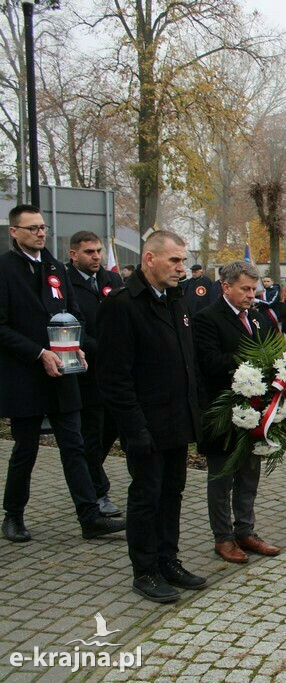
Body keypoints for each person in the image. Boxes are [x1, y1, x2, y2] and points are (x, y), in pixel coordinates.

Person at [0, 205, 126, 543]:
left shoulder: (55, 268)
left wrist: (77, 344)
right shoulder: (4, 269)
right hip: (26, 376)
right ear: (15, 232)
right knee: (25, 449)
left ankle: (89, 517)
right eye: (32, 228)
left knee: (75, 445)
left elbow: (72, 314)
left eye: (42, 227)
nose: (40, 233)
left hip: (64, 374)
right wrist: (39, 353)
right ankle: (13, 515)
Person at [97, 231, 207, 603]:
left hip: (177, 421)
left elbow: (187, 363)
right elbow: (114, 378)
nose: (181, 268)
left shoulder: (176, 301)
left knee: (172, 493)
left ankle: (167, 559)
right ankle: (144, 570)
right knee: (147, 497)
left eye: (183, 260)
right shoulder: (123, 305)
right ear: (149, 259)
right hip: (146, 425)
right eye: (174, 260)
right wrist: (135, 430)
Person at [193, 261, 281, 564]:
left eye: (254, 290)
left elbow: (272, 352)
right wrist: (250, 363)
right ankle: (223, 537)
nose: (251, 295)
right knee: (222, 478)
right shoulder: (206, 319)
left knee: (249, 474)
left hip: (254, 410)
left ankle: (246, 530)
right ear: (225, 286)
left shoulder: (257, 318)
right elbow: (210, 362)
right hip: (222, 410)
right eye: (245, 289)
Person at [67, 230, 124, 518]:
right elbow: (74, 327)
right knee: (90, 433)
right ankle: (98, 493)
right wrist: (103, 348)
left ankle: (90, 481)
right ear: (73, 254)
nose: (96, 257)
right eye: (89, 252)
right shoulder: (67, 282)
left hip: (114, 374)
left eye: (99, 251)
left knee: (110, 431)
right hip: (88, 373)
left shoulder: (111, 280)